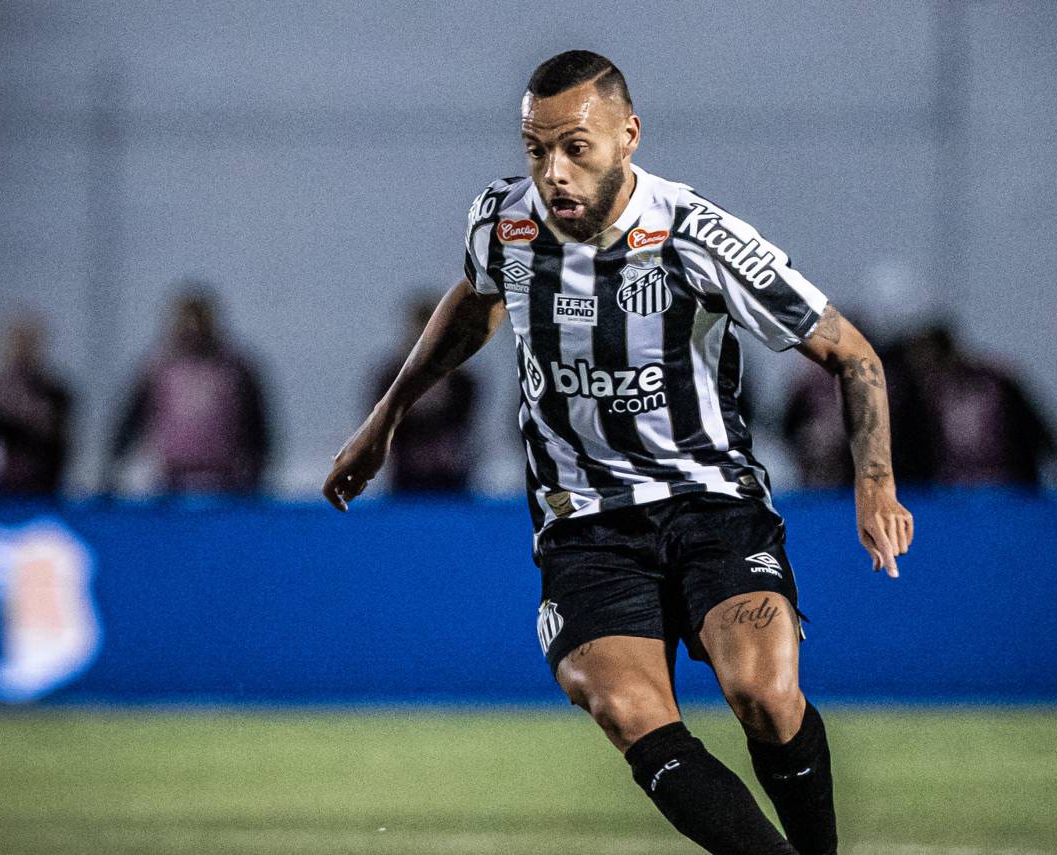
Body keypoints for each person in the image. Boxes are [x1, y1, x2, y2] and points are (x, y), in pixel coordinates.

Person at [324, 51, 913, 855]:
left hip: (712, 503)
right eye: (535, 149)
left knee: (766, 695)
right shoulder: (506, 224)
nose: (553, 172)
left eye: (575, 147)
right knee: (628, 711)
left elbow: (854, 354)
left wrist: (874, 485)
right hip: (587, 526)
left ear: (628, 136)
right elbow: (476, 301)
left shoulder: (696, 236)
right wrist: (385, 416)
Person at [108, 285, 271, 495]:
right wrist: (112, 470)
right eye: (186, 324)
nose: (193, 331)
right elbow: (129, 421)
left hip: (227, 482)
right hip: (170, 481)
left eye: (199, 324)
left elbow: (258, 426)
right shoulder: (158, 368)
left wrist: (256, 477)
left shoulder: (235, 369)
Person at [884, 323, 1057, 489]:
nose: (926, 372)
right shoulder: (919, 398)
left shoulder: (997, 384)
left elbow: (1040, 433)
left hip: (1009, 489)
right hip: (949, 496)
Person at [370, 297, 479, 493]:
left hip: (453, 481)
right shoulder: (389, 380)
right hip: (405, 483)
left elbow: (466, 428)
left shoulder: (463, 382)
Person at [0, 315, 72, 497]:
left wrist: (29, 413)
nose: (21, 352)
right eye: (16, 344)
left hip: (40, 482)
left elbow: (59, 444)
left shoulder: (53, 393)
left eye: (27, 344)